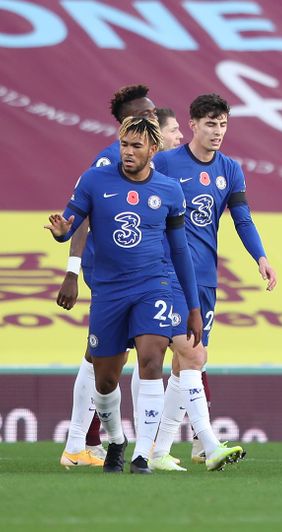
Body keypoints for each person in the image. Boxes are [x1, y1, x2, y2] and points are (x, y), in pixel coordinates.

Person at [45, 116, 202, 474]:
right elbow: (71, 222)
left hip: (153, 285)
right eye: (124, 145)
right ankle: (116, 439)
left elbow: (180, 252)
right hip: (109, 290)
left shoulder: (168, 190)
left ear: (153, 149)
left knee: (151, 359)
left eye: (136, 146)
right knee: (105, 381)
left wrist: (192, 307)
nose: (128, 152)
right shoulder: (95, 180)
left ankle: (142, 455)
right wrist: (60, 233)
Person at [148, 93, 276, 470]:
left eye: (222, 124)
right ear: (193, 125)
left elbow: (242, 218)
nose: (217, 131)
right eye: (210, 124)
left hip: (204, 278)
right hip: (167, 273)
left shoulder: (230, 169)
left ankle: (157, 451)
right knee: (194, 355)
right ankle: (208, 443)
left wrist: (261, 257)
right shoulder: (167, 163)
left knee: (184, 366)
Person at [57, 84, 157, 469]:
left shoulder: (148, 160)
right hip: (112, 271)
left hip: (139, 271)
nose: (153, 118)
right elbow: (80, 217)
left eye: (153, 113)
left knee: (104, 357)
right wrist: (73, 271)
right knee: (99, 357)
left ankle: (82, 444)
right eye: (143, 116)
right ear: (125, 123)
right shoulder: (107, 162)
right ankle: (79, 444)